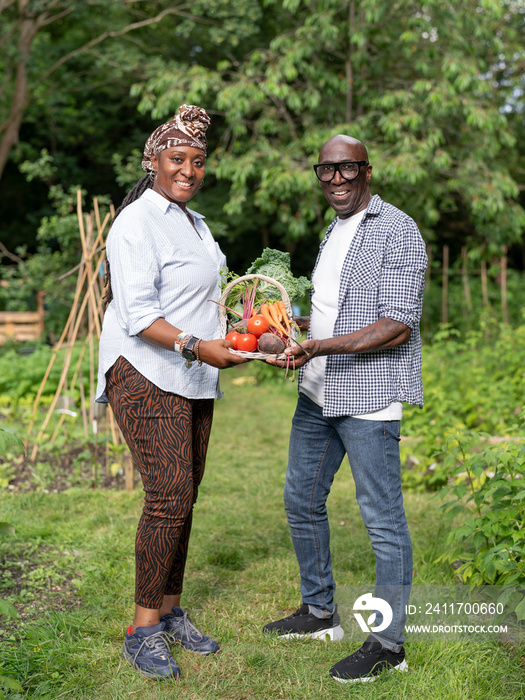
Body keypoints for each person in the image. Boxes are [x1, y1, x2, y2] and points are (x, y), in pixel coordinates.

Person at [262, 134, 427, 683]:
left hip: (368, 397)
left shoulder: (398, 230)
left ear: (366, 171)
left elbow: (397, 324)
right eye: (326, 170)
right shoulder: (334, 230)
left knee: (383, 522)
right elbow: (333, 313)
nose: (336, 180)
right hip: (317, 392)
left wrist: (320, 345)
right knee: (300, 499)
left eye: (346, 169)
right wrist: (287, 330)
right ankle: (319, 613)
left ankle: (389, 645)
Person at [95, 104, 247, 681]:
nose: (188, 169)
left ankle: (169, 607)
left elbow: (209, 299)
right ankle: (142, 631)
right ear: (153, 160)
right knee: (168, 494)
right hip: (144, 367)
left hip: (191, 373)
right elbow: (138, 315)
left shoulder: (197, 224)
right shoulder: (135, 222)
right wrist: (199, 347)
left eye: (197, 161)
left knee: (186, 495)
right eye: (177, 158)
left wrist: (249, 329)